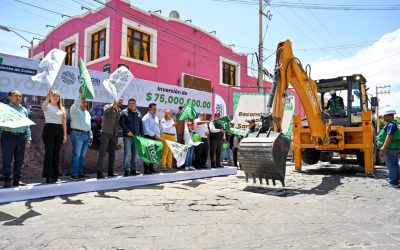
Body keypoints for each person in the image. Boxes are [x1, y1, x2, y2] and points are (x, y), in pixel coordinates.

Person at [0, 90, 31, 188]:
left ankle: (17, 180)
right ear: (9, 97)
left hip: (21, 137)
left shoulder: (24, 110)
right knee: (7, 159)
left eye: (20, 96)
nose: (18, 98)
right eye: (15, 96)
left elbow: (27, 126)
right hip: (8, 136)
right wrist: (5, 127)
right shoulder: (5, 109)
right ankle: (7, 180)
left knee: (19, 160)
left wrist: (28, 138)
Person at [41, 89, 67, 184]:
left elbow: (64, 122)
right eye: (54, 95)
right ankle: (48, 176)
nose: (56, 97)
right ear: (51, 96)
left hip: (59, 130)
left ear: (59, 97)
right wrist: (47, 98)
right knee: (49, 153)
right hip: (49, 129)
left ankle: (55, 175)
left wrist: (64, 134)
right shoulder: (47, 105)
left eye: (57, 95)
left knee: (56, 153)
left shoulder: (62, 108)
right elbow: (43, 107)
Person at [96, 97, 123, 179]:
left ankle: (110, 172)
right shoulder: (108, 106)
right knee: (102, 153)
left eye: (121, 101)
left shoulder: (119, 111)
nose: (120, 102)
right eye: (119, 100)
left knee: (113, 154)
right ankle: (99, 173)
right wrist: (113, 106)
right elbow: (105, 112)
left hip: (114, 135)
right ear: (115, 100)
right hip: (106, 133)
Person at [70, 87, 93, 180]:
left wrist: (90, 135)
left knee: (82, 156)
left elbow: (89, 125)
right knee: (77, 155)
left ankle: (80, 173)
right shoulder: (74, 110)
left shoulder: (87, 112)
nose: (85, 103)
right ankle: (74, 174)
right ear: (79, 102)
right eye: (83, 101)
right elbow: (75, 104)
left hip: (86, 135)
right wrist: (80, 95)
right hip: (77, 135)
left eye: (86, 102)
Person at [120, 98, 143, 177]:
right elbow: (122, 124)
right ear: (128, 104)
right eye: (130, 103)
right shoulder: (124, 112)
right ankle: (127, 170)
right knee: (127, 153)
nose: (131, 104)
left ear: (135, 104)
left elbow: (141, 125)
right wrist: (127, 131)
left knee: (134, 154)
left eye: (133, 103)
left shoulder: (138, 113)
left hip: (136, 137)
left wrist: (141, 136)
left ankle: (133, 169)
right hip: (127, 137)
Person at [377, 109, 400, 187]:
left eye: (385, 116)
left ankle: (393, 182)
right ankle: (397, 179)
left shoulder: (391, 125)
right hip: (392, 148)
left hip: (390, 148)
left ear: (390, 116)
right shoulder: (393, 124)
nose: (383, 117)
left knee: (391, 165)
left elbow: (389, 136)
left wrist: (383, 147)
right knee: (394, 164)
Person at [142, 103, 161, 174]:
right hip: (148, 137)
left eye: (156, 109)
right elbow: (147, 129)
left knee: (152, 154)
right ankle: (146, 170)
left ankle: (151, 168)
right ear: (149, 109)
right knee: (147, 154)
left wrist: (158, 135)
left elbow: (157, 127)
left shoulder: (156, 117)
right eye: (154, 108)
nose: (155, 110)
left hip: (154, 137)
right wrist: (154, 135)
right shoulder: (146, 118)